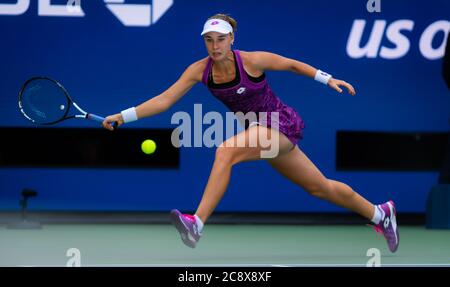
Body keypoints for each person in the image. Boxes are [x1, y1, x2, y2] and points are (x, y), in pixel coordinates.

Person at [102, 14, 399, 252]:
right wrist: (123, 116)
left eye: (220, 39)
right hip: (258, 133)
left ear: (231, 39)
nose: (215, 46)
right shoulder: (199, 70)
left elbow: (292, 65)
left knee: (225, 151)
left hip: (279, 123)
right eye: (209, 40)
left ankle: (197, 224)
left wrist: (328, 78)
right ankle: (380, 213)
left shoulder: (252, 60)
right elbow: (164, 100)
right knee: (319, 187)